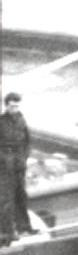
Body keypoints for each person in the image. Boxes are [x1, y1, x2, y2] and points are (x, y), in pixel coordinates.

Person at [0, 91, 30, 243]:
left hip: (19, 164)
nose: (15, 109)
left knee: (21, 196)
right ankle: (8, 231)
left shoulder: (21, 119)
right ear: (6, 106)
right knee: (7, 199)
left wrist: (24, 158)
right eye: (12, 106)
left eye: (17, 106)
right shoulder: (1, 121)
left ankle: (24, 226)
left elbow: (27, 141)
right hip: (5, 166)